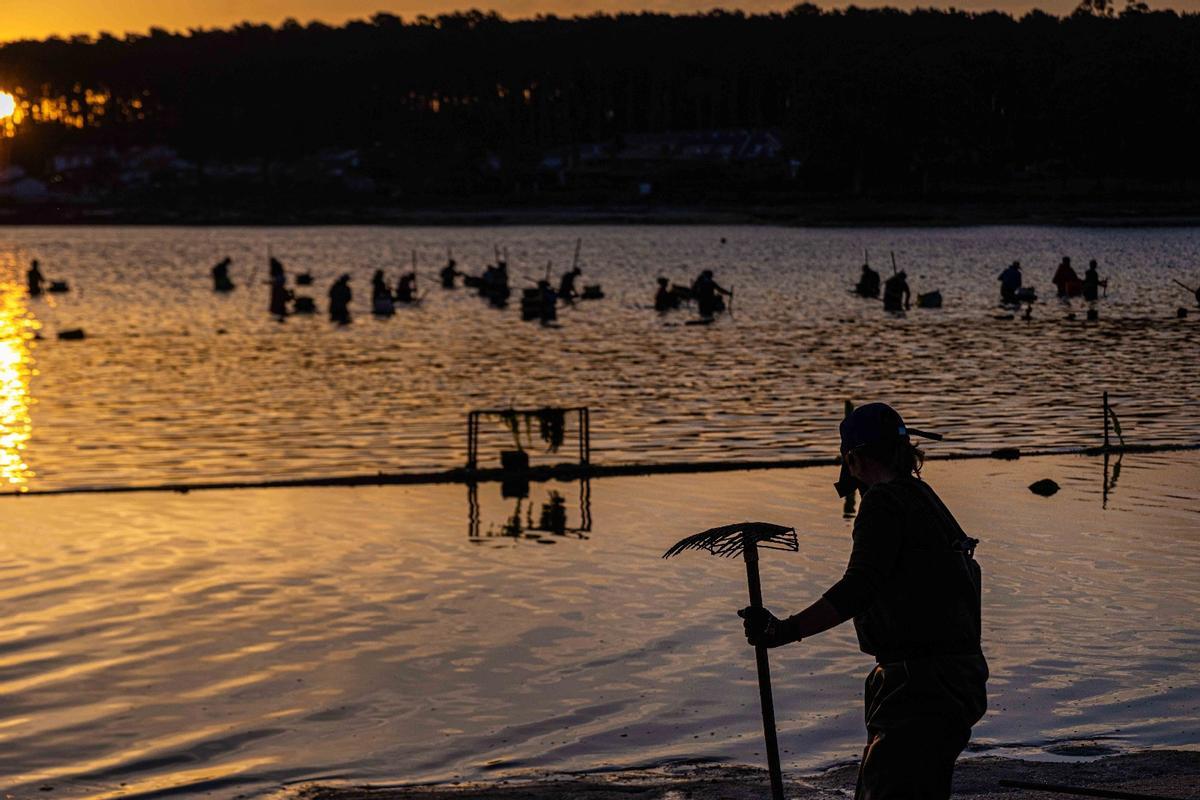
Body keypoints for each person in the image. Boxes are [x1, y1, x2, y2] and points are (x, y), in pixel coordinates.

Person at [738, 403, 987, 800]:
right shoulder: (923, 496)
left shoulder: (883, 504)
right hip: (957, 678)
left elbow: (858, 589)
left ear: (853, 458)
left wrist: (784, 630)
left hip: (922, 684)